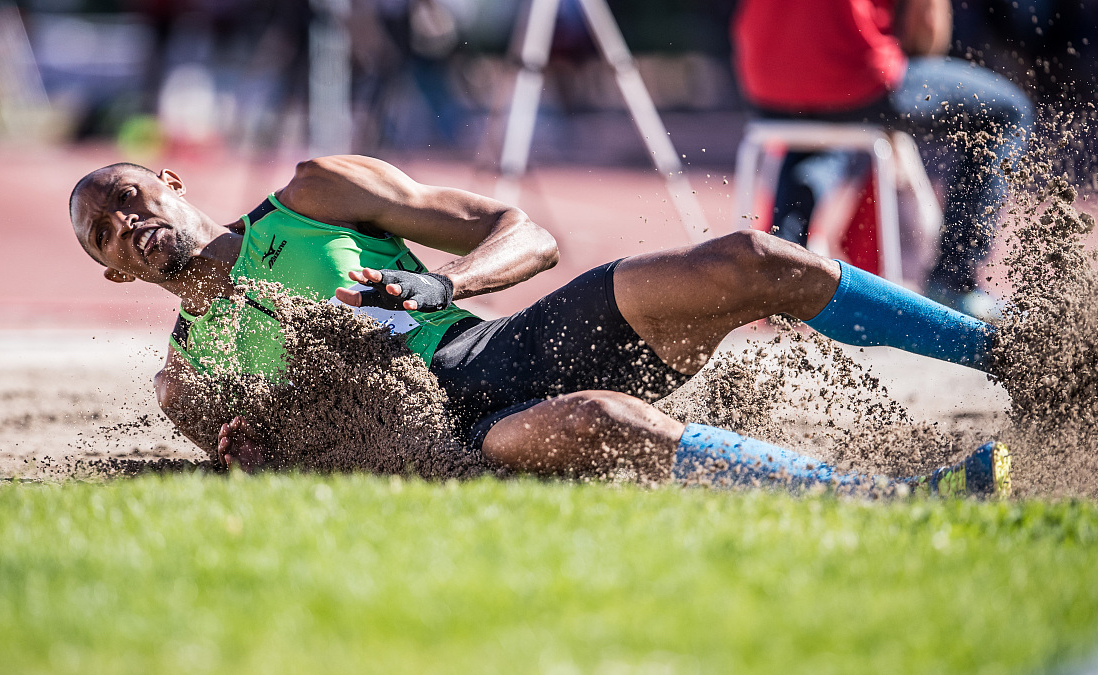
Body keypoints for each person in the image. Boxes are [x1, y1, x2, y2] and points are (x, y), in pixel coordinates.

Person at [68, 157, 1009, 497]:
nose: (128, 224)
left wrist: (446, 286)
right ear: (114, 270)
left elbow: (528, 234)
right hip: (448, 443)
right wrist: (254, 465)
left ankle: (1009, 355)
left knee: (756, 259)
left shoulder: (313, 197)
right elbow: (276, 478)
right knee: (599, 417)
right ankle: (897, 499)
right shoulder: (187, 380)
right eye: (105, 235)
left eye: (127, 196)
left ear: (169, 182)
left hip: (491, 345)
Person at [733, 0, 1035, 318]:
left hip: (764, 82)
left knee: (819, 122)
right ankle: (954, 282)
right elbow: (928, 21)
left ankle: (782, 270)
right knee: (1007, 112)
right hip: (857, 79)